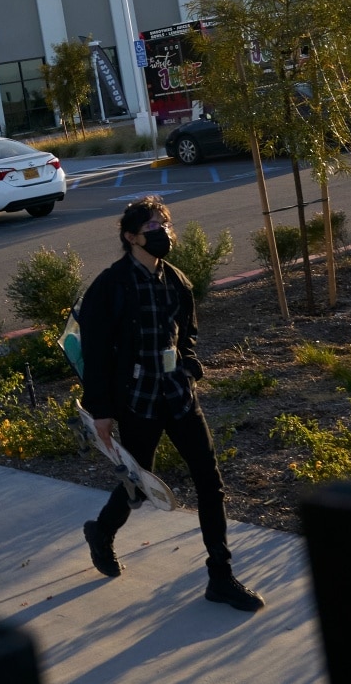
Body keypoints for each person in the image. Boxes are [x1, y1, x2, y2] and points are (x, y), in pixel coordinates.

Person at [78, 195, 264, 611]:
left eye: (165, 225)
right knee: (139, 484)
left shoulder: (176, 279)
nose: (164, 233)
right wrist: (101, 411)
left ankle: (221, 577)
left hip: (179, 396)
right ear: (131, 237)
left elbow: (187, 331)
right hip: (138, 401)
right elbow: (95, 353)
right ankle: (102, 531)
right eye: (153, 228)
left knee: (209, 482)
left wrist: (190, 366)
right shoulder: (110, 287)